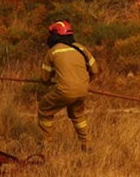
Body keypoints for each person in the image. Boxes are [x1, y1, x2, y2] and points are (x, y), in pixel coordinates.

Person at [38, 20, 99, 152]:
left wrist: (59, 81)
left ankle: (47, 146)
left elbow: (44, 78)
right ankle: (87, 145)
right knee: (77, 115)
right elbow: (94, 70)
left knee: (44, 110)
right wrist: (82, 83)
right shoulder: (81, 48)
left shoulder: (53, 52)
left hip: (64, 91)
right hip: (83, 90)